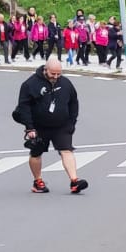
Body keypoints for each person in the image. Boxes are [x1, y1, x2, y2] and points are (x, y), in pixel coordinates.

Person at [14, 55, 86, 194]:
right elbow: (24, 106)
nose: (56, 77)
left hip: (62, 125)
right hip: (38, 126)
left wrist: (72, 122)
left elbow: (73, 102)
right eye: (53, 73)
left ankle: (74, 181)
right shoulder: (30, 84)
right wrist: (29, 128)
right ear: (45, 70)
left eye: (59, 74)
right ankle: (38, 181)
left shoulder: (66, 83)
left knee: (67, 150)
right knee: (36, 153)